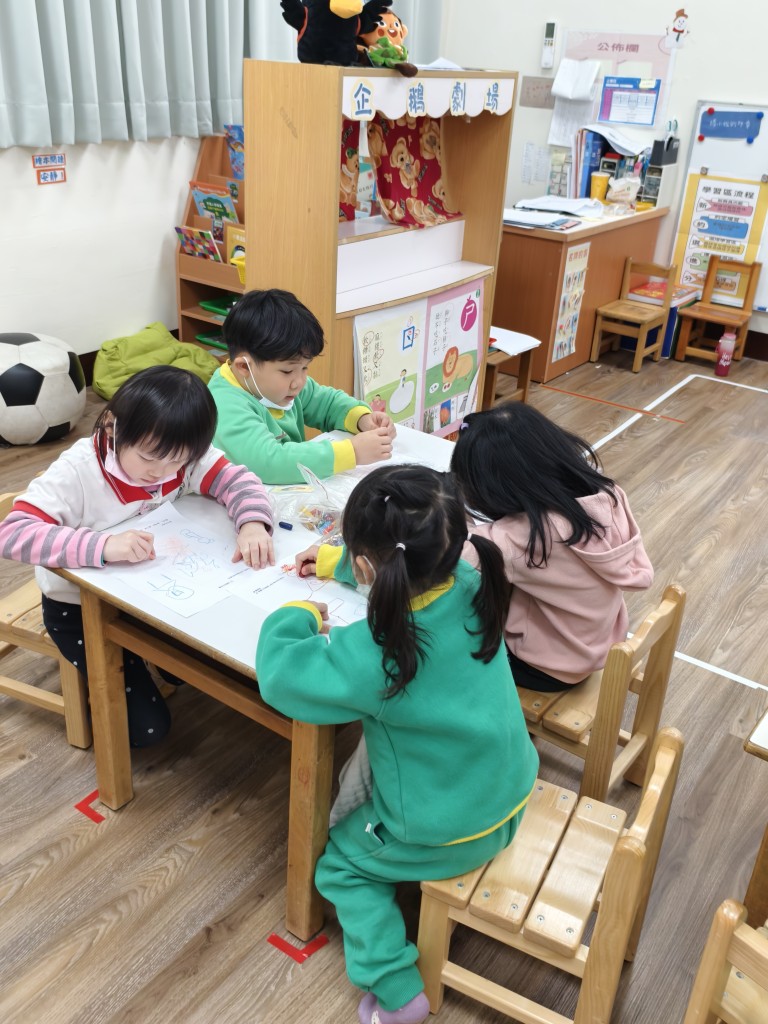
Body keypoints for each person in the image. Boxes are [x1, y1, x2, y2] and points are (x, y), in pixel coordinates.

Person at [256, 465, 538, 1024]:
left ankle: (398, 993)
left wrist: (296, 613)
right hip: (511, 791)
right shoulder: (472, 583)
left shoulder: (379, 651)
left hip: (446, 831)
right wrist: (341, 564)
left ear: (368, 566)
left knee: (341, 867)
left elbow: (282, 676)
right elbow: (405, 570)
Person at [0, 365, 274, 747]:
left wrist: (253, 523)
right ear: (113, 427)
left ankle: (155, 662)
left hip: (151, 596)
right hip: (77, 608)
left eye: (177, 462)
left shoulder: (178, 452)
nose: (161, 473)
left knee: (211, 666)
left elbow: (238, 480)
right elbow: (12, 534)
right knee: (147, 730)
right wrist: (102, 546)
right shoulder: (78, 472)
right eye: (148, 458)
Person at [451, 403, 654, 692]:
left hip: (545, 668)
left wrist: (451, 509)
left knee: (450, 641)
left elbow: (455, 555)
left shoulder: (528, 536)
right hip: (597, 641)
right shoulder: (607, 494)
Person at [209, 288, 396, 484]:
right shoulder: (224, 404)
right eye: (287, 371)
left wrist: (361, 419)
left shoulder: (283, 386)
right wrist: (352, 452)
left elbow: (326, 404)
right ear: (244, 367)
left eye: (305, 368)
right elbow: (269, 462)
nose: (299, 381)